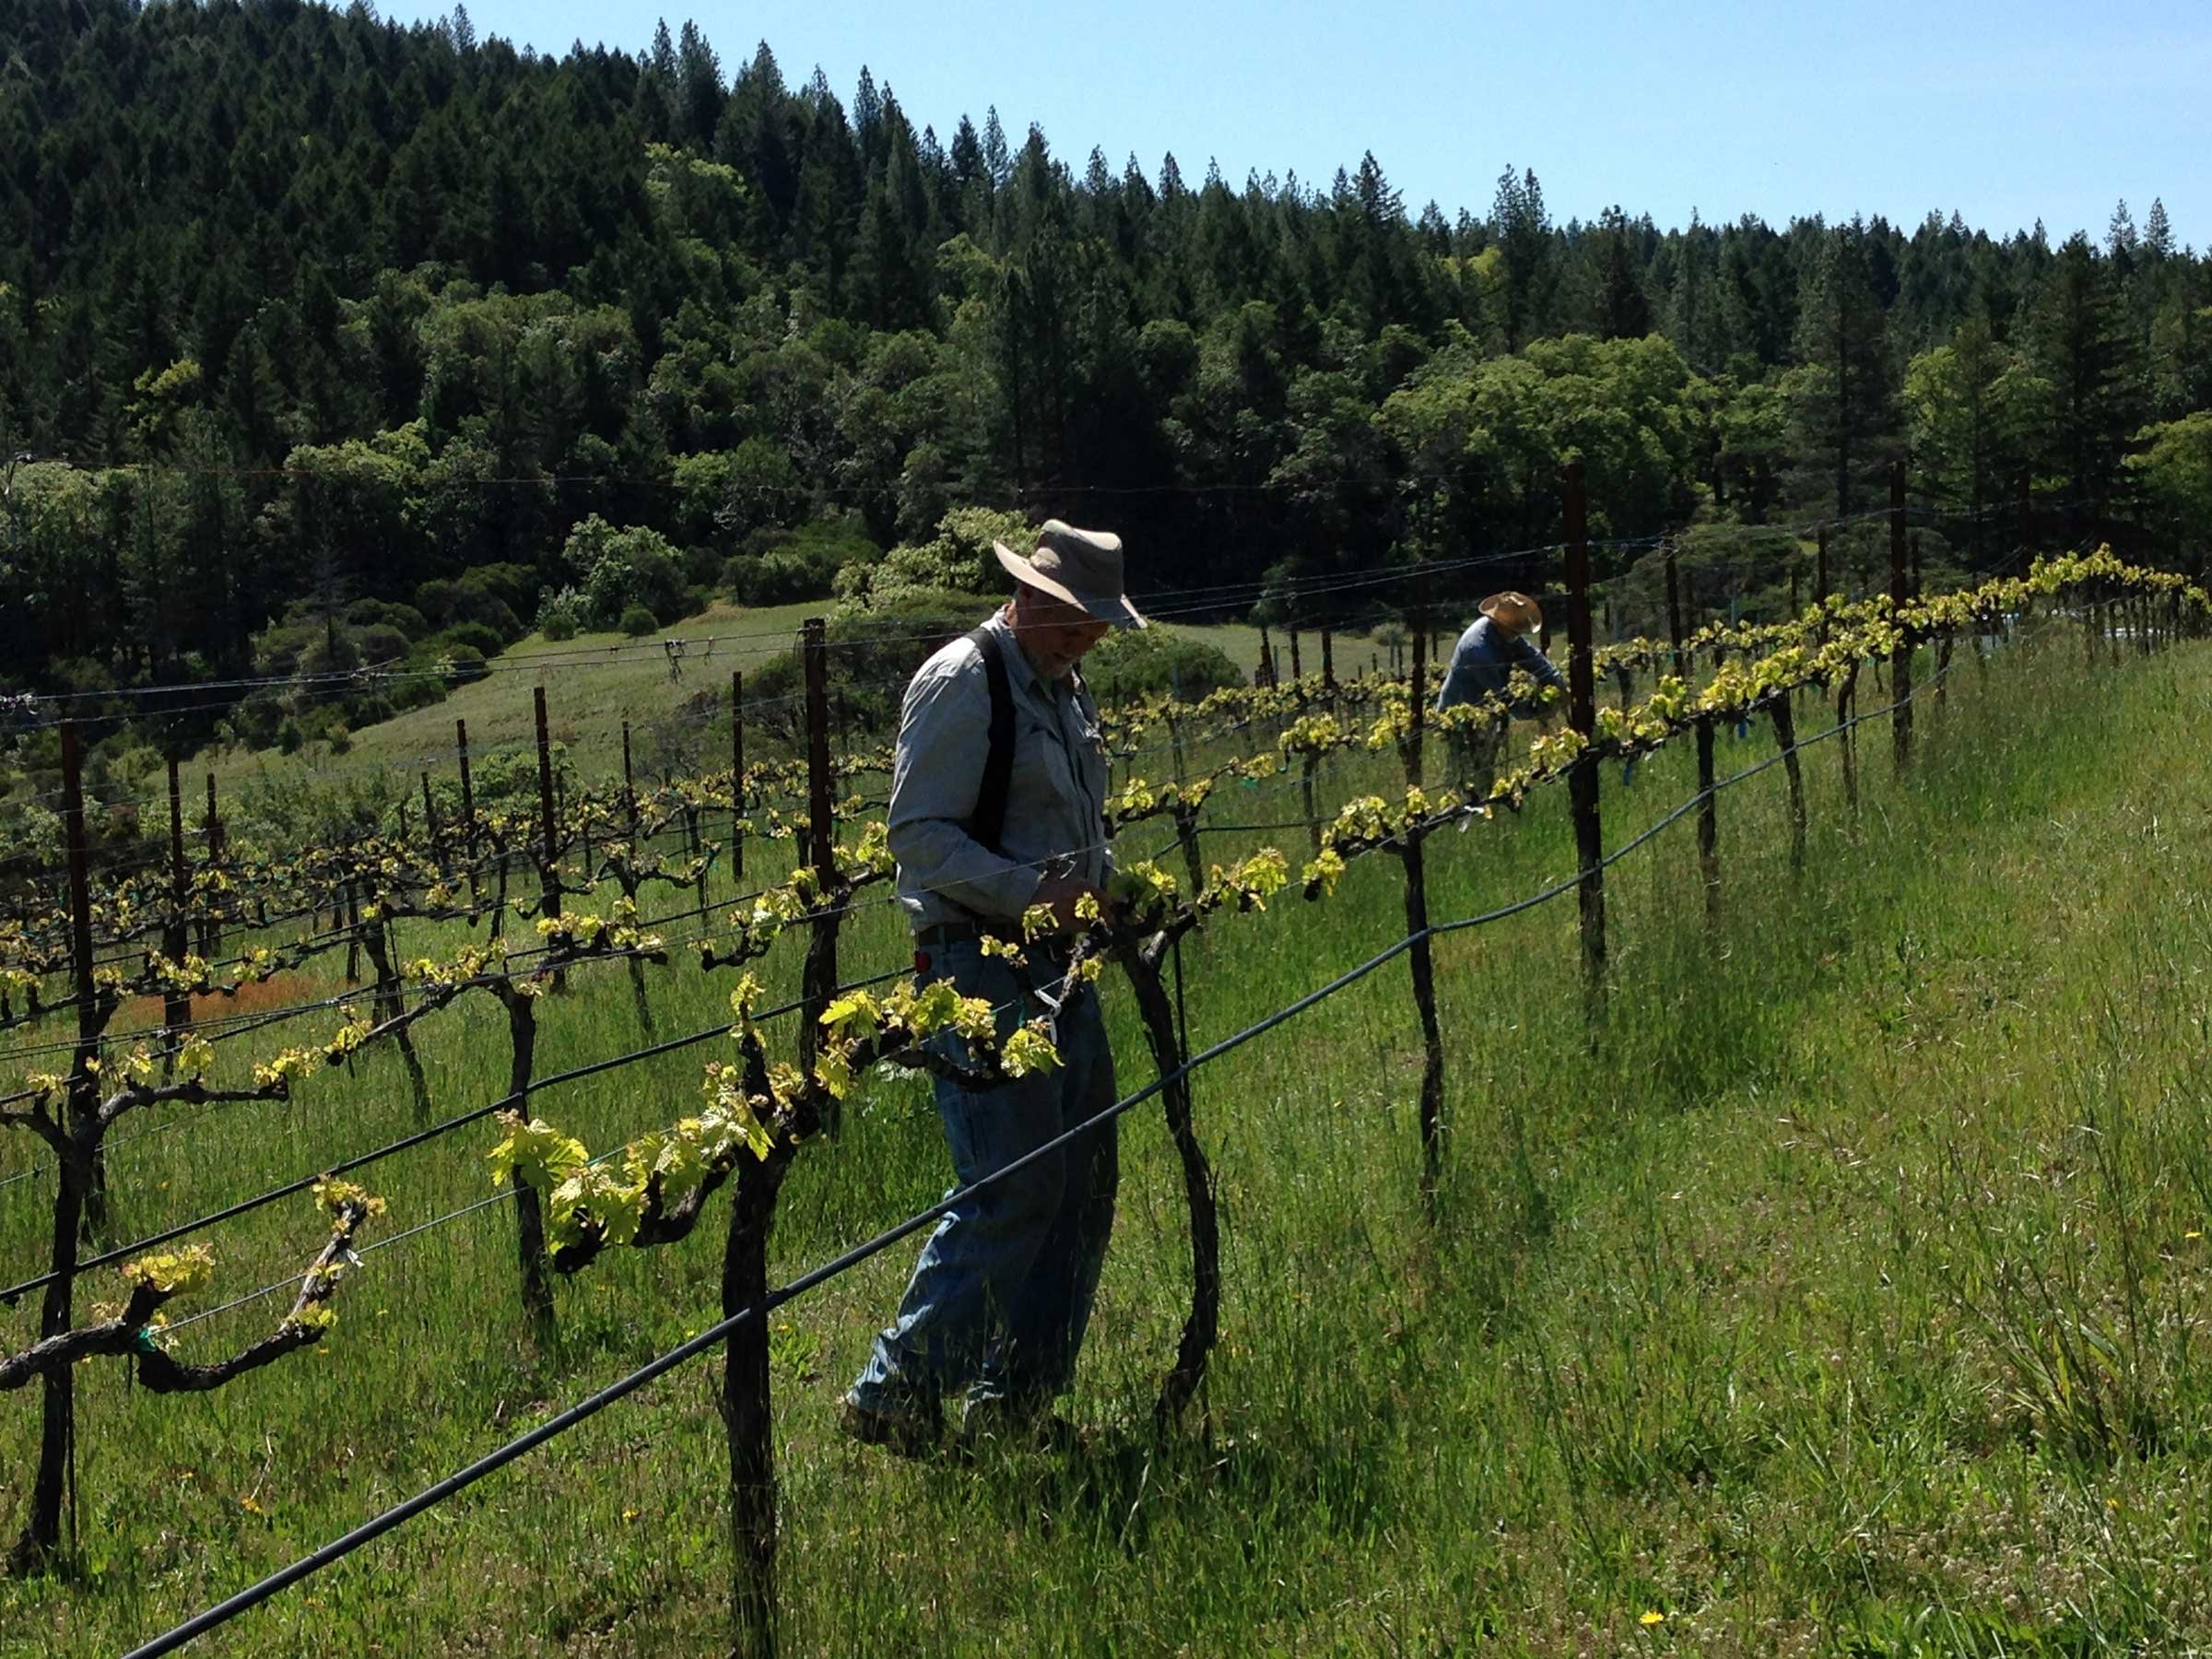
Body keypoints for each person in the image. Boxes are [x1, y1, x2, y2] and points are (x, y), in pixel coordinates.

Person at [841, 520, 1145, 1456]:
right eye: (1075, 621)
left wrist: (1100, 893)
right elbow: (920, 837)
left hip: (1064, 961)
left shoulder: (1062, 685)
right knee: (1013, 1185)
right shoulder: (962, 681)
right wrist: (1038, 894)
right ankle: (897, 1389)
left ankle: (1016, 1405)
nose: (1086, 639)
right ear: (1031, 597)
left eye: (1096, 626)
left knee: (1085, 1180)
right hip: (979, 964)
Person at [1434, 591, 1566, 791]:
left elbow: (1534, 659)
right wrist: (1538, 710)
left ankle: (1483, 800)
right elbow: (1502, 697)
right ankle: (1458, 806)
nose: (1518, 635)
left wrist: (1558, 684)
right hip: (1459, 711)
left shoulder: (1509, 635)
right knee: (1463, 763)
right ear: (1499, 623)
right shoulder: (1477, 650)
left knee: (1486, 761)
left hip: (1485, 709)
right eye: (1515, 630)